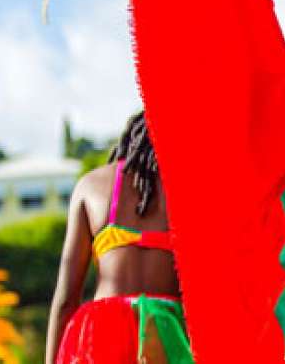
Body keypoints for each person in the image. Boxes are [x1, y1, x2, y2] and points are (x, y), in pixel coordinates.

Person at [46, 111, 191, 364]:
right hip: (165, 330)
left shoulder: (90, 185)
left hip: (103, 329)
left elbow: (66, 298)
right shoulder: (189, 189)